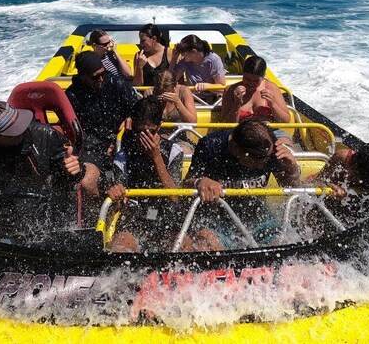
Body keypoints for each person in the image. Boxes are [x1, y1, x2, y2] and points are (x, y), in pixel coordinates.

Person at [0, 100, 89, 241]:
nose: (22, 130)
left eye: (20, 124)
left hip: (50, 215)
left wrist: (73, 170)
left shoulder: (46, 135)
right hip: (7, 224)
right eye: (14, 132)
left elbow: (69, 181)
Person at [182, 117, 301, 250]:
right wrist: (200, 181)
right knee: (206, 243)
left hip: (259, 217)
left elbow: (292, 189)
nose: (262, 164)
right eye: (255, 160)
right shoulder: (210, 145)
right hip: (217, 219)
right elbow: (186, 183)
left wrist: (292, 170)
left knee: (284, 244)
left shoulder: (269, 150)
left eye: (265, 159)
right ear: (235, 147)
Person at [106, 97, 185, 252]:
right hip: (135, 218)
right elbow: (119, 190)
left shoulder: (174, 151)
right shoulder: (123, 154)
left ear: (160, 127)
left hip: (167, 217)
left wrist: (156, 157)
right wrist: (115, 191)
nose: (144, 138)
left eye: (150, 132)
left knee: (185, 246)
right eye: (139, 132)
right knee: (121, 247)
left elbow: (175, 197)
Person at [66, 51, 139, 185]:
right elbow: (75, 129)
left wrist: (130, 117)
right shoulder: (72, 95)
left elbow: (136, 106)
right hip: (92, 145)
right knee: (85, 177)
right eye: (95, 77)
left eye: (103, 74)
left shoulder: (116, 83)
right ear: (82, 77)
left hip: (121, 137)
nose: (101, 79)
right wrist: (101, 147)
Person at [221, 55, 291, 125]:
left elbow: (286, 121)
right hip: (240, 132)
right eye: (247, 79)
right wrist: (237, 104)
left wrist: (272, 104)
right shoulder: (230, 90)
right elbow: (226, 125)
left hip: (269, 131)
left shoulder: (272, 88)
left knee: (283, 137)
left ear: (263, 76)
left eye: (256, 81)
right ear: (242, 73)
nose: (251, 83)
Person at [172, 34, 226, 100]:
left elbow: (222, 88)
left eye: (184, 54)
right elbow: (171, 79)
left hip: (213, 99)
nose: (182, 56)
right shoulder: (185, 61)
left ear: (194, 52)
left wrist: (207, 86)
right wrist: (174, 59)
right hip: (193, 98)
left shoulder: (213, 60)